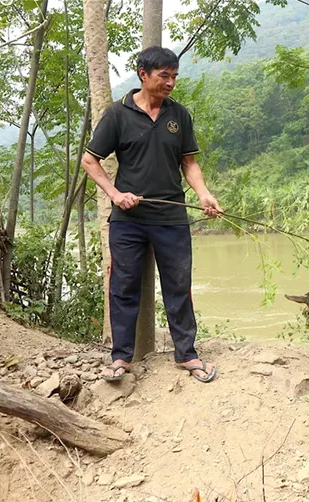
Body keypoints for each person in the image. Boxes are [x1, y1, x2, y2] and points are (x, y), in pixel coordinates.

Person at [81, 46, 222, 383]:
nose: (170, 82)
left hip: (171, 218)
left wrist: (203, 194)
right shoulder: (118, 114)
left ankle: (187, 355)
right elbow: (90, 160)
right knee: (123, 287)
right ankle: (121, 359)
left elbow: (189, 162)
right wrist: (115, 194)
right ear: (143, 74)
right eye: (164, 76)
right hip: (128, 221)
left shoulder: (179, 115)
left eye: (174, 76)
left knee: (178, 286)